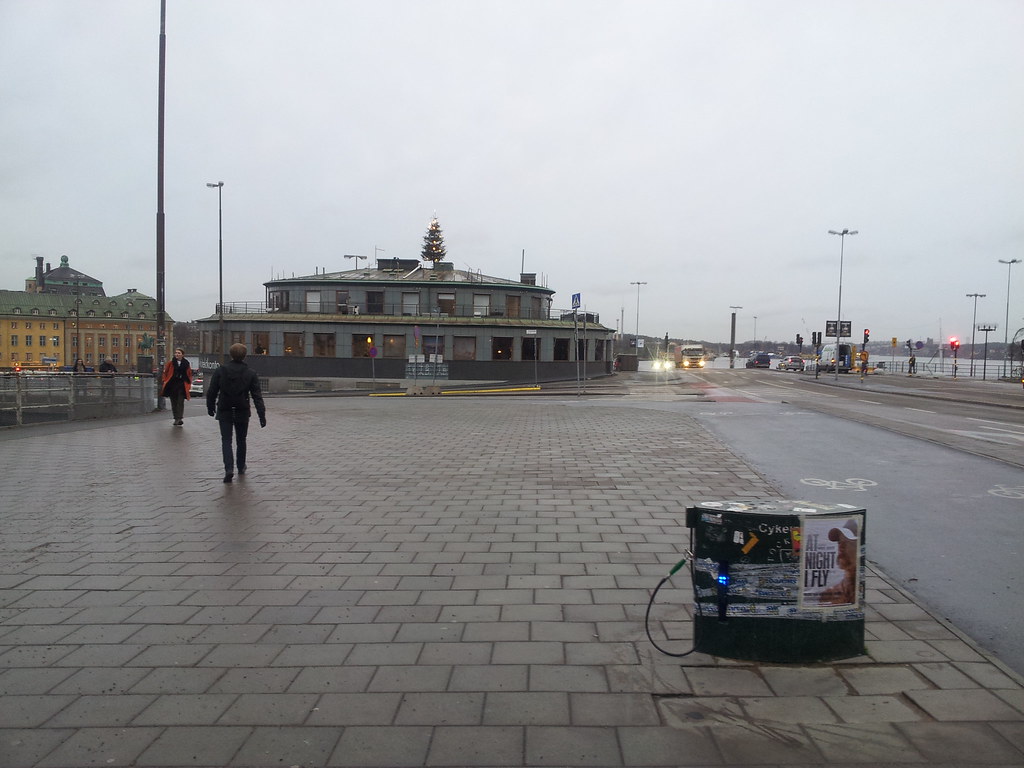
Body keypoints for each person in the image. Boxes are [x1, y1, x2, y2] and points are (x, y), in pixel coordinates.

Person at [207, 343, 266, 483]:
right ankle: (241, 466)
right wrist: (261, 415)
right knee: (241, 439)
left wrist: (210, 407)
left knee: (226, 440)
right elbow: (257, 396)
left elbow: (212, 391)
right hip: (242, 409)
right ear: (245, 356)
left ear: (231, 355)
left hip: (224, 408)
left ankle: (228, 468)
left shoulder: (221, 371)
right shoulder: (250, 373)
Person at [161, 348, 193, 426]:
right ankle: (176, 418)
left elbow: (189, 374)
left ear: (182, 354)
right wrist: (164, 380)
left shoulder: (186, 363)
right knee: (174, 402)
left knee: (180, 402)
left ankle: (179, 418)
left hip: (182, 385)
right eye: (176, 353)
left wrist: (189, 382)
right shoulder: (171, 363)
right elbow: (165, 372)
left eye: (179, 353)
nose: (177, 354)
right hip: (172, 385)